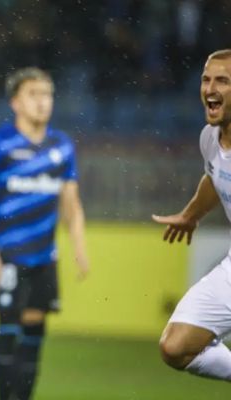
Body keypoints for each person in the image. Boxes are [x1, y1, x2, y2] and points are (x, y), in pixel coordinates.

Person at [0, 67, 89, 400]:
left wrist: (79, 244)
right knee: (8, 330)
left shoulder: (61, 146)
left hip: (43, 257)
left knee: (35, 334)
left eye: (47, 95)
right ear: (15, 102)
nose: (42, 102)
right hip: (8, 256)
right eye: (33, 94)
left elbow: (71, 202)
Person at [155, 49, 231, 382]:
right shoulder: (210, 139)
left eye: (223, 81)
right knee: (175, 346)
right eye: (206, 79)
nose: (210, 88)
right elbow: (215, 177)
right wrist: (190, 215)